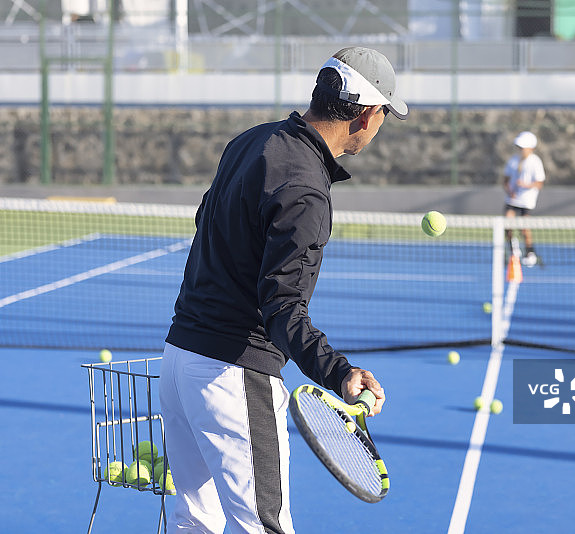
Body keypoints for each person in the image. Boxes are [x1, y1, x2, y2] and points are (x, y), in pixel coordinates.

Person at [159, 46, 407, 534]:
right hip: (233, 373)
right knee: (264, 527)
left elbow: (206, 221)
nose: (381, 126)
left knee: (193, 522)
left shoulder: (250, 141)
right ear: (365, 115)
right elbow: (283, 308)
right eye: (384, 115)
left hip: (179, 360)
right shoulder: (306, 190)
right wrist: (340, 373)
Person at [502, 130, 546, 267]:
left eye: (523, 147)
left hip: (526, 200)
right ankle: (513, 250)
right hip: (512, 200)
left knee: (524, 228)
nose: (521, 150)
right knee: (507, 225)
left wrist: (526, 185)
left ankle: (529, 252)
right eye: (520, 147)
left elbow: (539, 183)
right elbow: (505, 180)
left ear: (531, 148)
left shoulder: (535, 162)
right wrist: (510, 191)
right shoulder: (513, 160)